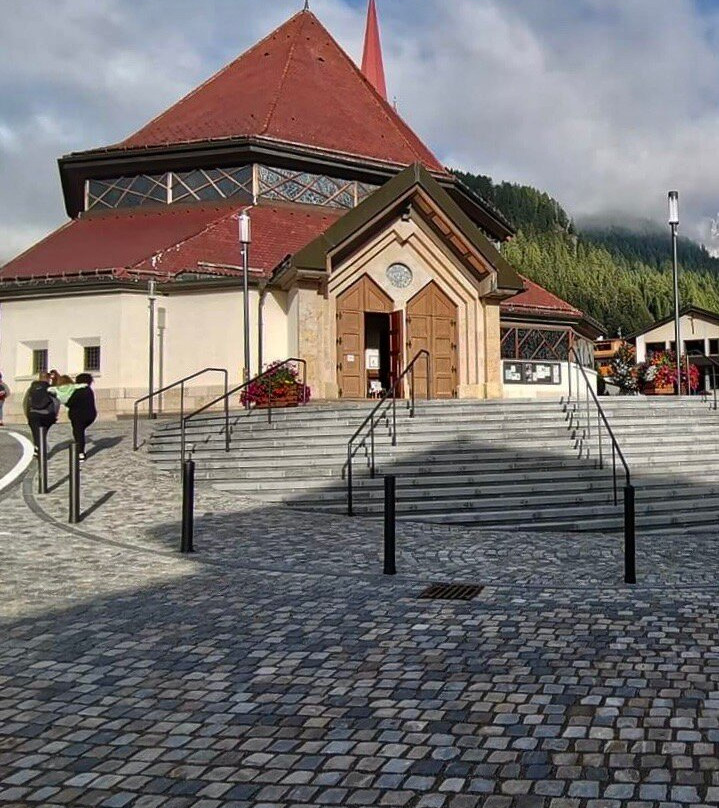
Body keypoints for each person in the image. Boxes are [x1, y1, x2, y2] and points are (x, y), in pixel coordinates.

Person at [23, 373, 59, 455]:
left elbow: (25, 402)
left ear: (39, 378)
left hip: (33, 413)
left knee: (36, 433)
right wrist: (55, 415)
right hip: (47, 414)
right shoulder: (50, 388)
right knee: (43, 433)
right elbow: (56, 402)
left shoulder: (32, 388)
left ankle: (37, 447)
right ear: (48, 378)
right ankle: (40, 449)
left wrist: (28, 414)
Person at [67, 373, 97, 462]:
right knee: (80, 432)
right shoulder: (89, 390)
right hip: (90, 415)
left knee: (78, 433)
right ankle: (80, 451)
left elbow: (70, 403)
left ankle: (81, 453)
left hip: (78, 416)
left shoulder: (78, 391)